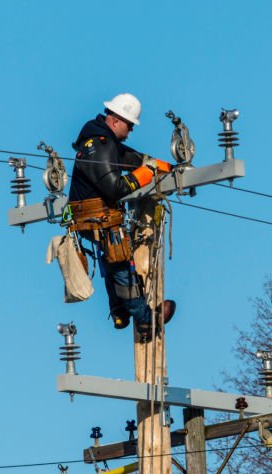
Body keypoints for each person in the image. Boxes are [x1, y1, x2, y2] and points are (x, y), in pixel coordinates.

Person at [66, 93, 175, 342]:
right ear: (116, 119)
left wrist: (160, 166)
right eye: (130, 125)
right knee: (121, 265)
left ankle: (119, 313)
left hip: (95, 218)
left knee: (115, 262)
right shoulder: (99, 144)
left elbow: (130, 158)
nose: (131, 130)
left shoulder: (105, 144)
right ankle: (146, 319)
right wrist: (145, 175)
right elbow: (113, 187)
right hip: (97, 218)